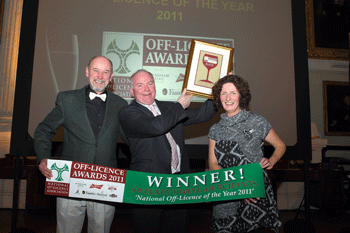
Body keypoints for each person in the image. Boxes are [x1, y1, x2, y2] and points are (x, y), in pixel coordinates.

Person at [34, 55, 128, 233]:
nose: (100, 76)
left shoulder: (121, 104)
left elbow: (132, 139)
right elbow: (43, 130)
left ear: (111, 76)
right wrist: (43, 157)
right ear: (87, 72)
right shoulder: (67, 100)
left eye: (105, 72)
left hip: (106, 183)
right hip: (70, 181)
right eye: (95, 70)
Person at [118, 69, 217, 233]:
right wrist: (179, 106)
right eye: (140, 85)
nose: (147, 89)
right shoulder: (127, 113)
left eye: (150, 83)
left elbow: (202, 114)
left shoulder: (168, 107)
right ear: (131, 91)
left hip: (178, 183)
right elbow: (156, 126)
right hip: (148, 187)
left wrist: (217, 90)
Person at [208, 75, 286, 233]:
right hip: (227, 194)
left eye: (233, 93)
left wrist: (272, 160)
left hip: (254, 195)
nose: (228, 98)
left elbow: (280, 146)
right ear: (218, 97)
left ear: (241, 96)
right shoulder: (215, 129)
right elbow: (213, 164)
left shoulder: (256, 121)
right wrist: (236, 188)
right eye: (223, 93)